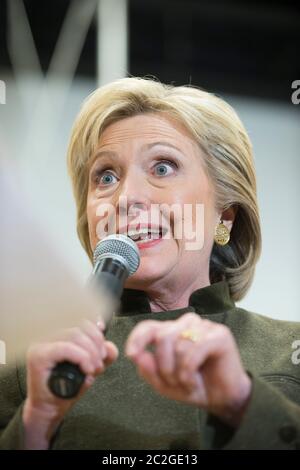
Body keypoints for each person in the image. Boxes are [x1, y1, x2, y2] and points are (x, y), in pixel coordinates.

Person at [1, 77, 300, 450]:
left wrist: (242, 403)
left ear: (225, 215)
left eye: (163, 168)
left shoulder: (291, 349)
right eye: (106, 176)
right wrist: (37, 422)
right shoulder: (29, 369)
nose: (127, 197)